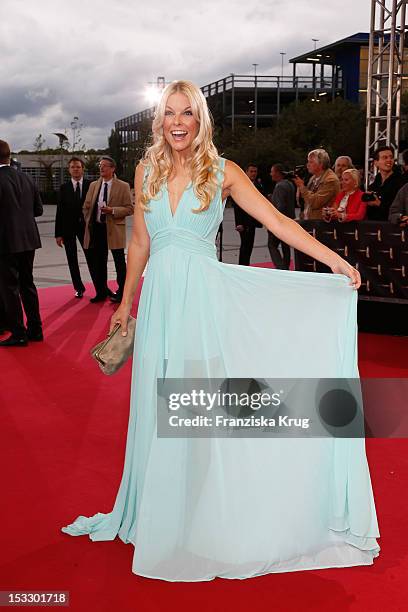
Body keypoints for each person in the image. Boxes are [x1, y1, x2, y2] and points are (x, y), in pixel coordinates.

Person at [62, 80, 380, 581]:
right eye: (170, 112)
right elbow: (140, 245)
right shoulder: (146, 170)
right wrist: (126, 304)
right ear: (159, 120)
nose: (178, 121)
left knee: (194, 411)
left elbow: (275, 219)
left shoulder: (223, 172)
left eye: (187, 112)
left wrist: (332, 259)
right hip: (162, 304)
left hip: (205, 305)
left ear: (200, 119)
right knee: (155, 409)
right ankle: (160, 512)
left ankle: (200, 517)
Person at [0, 139, 43, 347]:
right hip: (28, 239)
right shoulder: (26, 178)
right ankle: (36, 329)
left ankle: (18, 333)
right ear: (9, 156)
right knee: (28, 284)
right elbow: (39, 210)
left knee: (9, 288)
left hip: (5, 242)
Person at [82, 156, 134, 303]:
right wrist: (88, 220)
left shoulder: (123, 186)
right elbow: (86, 206)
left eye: (105, 166)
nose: (101, 168)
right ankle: (101, 292)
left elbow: (130, 209)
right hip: (98, 229)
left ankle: (122, 292)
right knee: (99, 262)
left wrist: (112, 210)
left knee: (119, 262)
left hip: (114, 229)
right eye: (100, 165)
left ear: (112, 168)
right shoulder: (93, 185)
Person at [55, 157, 94, 298]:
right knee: (72, 259)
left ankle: (99, 286)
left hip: (87, 229)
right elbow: (60, 212)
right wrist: (58, 234)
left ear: (83, 168)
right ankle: (79, 287)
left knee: (91, 258)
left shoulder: (91, 185)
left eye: (78, 166)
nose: (75, 169)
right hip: (68, 229)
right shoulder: (64, 188)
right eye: (72, 167)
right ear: (69, 170)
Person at [231, 163, 263, 265]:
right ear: (246, 172)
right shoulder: (241, 184)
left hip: (253, 220)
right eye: (251, 171)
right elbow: (237, 206)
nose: (254, 173)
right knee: (245, 245)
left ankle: (246, 265)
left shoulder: (258, 185)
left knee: (249, 245)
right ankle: (243, 266)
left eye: (255, 171)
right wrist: (239, 223)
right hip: (244, 221)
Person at [294, 149, 340, 220]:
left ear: (321, 164)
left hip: (322, 225)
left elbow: (315, 203)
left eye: (311, 162)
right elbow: (307, 203)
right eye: (308, 161)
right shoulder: (313, 178)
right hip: (310, 222)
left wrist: (302, 187)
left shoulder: (331, 180)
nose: (307, 165)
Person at [267, 163, 296, 269]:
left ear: (278, 173)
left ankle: (280, 266)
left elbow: (280, 206)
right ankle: (286, 265)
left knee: (272, 244)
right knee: (285, 244)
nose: (271, 174)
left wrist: (273, 220)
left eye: (272, 171)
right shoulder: (290, 184)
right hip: (289, 219)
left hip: (280, 221)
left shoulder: (280, 186)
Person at [366, 146, 406, 221]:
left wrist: (379, 204)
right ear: (376, 163)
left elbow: (399, 210)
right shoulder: (373, 185)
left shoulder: (401, 182)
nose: (389, 160)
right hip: (373, 226)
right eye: (385, 157)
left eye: (391, 157)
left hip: (394, 228)